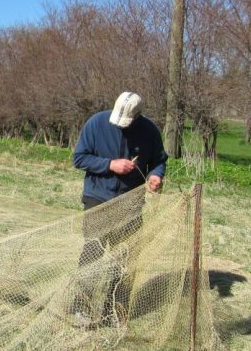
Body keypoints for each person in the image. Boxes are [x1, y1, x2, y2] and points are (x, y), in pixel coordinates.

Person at [71, 91, 168, 326]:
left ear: (137, 116)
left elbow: (159, 160)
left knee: (124, 257)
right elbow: (79, 158)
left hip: (131, 202)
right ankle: (81, 306)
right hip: (97, 197)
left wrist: (156, 176)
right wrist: (109, 165)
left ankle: (113, 310)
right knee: (92, 254)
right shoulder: (96, 123)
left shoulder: (149, 131)